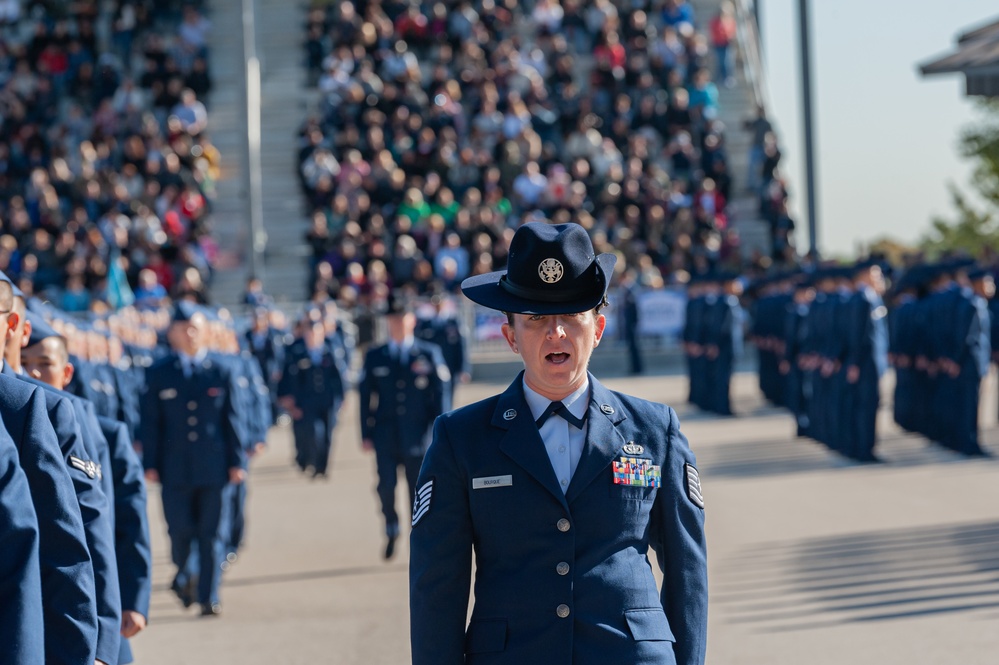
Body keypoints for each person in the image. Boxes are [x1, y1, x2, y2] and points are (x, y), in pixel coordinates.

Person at [410, 222, 707, 665]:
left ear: (599, 328)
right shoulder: (462, 438)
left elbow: (687, 572)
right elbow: (437, 586)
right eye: (536, 320)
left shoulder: (653, 429)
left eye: (572, 315)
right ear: (511, 336)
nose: (557, 333)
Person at [22, 315, 152, 664]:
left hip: (97, 600)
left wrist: (133, 599)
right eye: (24, 363)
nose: (33, 372)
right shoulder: (17, 416)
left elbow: (121, 518)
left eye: (44, 364)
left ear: (66, 373)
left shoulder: (103, 431)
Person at [138, 302, 246, 616]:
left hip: (215, 466)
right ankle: (185, 575)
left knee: (212, 534)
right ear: (171, 333)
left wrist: (237, 461)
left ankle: (208, 595)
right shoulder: (159, 373)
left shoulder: (221, 371)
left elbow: (232, 419)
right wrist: (150, 464)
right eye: (183, 328)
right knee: (180, 532)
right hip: (175, 468)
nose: (190, 334)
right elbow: (150, 423)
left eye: (195, 327)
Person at [359, 293, 450, 560]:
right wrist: (365, 433)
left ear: (411, 320)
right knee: (385, 486)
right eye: (392, 319)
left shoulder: (428, 353)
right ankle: (391, 524)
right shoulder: (375, 355)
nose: (397, 324)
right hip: (385, 435)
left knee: (417, 490)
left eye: (401, 318)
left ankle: (417, 535)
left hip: (418, 436)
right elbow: (365, 398)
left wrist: (439, 432)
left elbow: (440, 395)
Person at [278, 308, 347, 478]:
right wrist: (288, 400)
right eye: (309, 334)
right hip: (307, 401)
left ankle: (323, 466)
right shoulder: (297, 354)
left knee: (328, 435)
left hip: (328, 400)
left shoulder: (330, 352)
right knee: (314, 432)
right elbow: (288, 378)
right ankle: (314, 462)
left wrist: (342, 398)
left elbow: (339, 378)